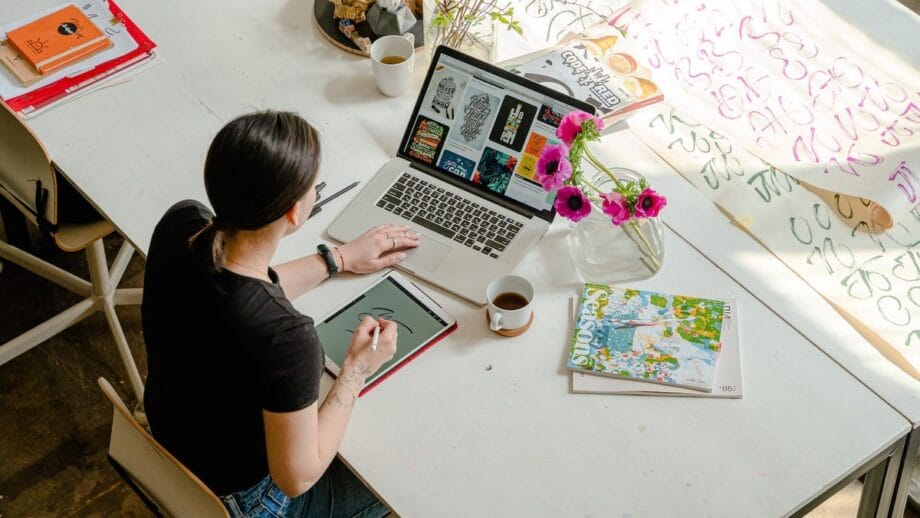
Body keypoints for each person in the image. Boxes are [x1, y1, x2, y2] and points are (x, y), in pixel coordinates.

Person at [141, 110, 420, 517]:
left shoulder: (181, 225)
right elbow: (297, 477)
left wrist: (337, 258)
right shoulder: (287, 339)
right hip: (242, 502)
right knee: (393, 483)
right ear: (294, 212)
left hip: (167, 452)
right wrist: (357, 368)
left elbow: (239, 288)